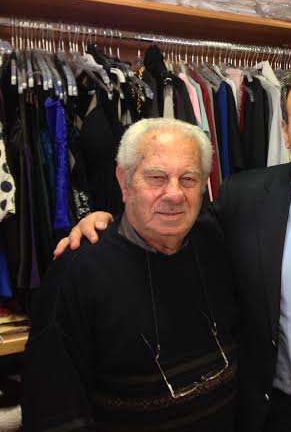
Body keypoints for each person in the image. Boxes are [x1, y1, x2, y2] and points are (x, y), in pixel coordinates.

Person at [53, 57, 291, 432]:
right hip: (281, 417)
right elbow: (169, 223)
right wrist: (108, 223)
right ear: (285, 132)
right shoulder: (243, 199)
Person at [24, 119, 237, 431]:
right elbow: (53, 408)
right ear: (124, 182)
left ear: (204, 184)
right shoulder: (79, 270)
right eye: (156, 177)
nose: (174, 193)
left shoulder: (217, 240)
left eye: (188, 178)